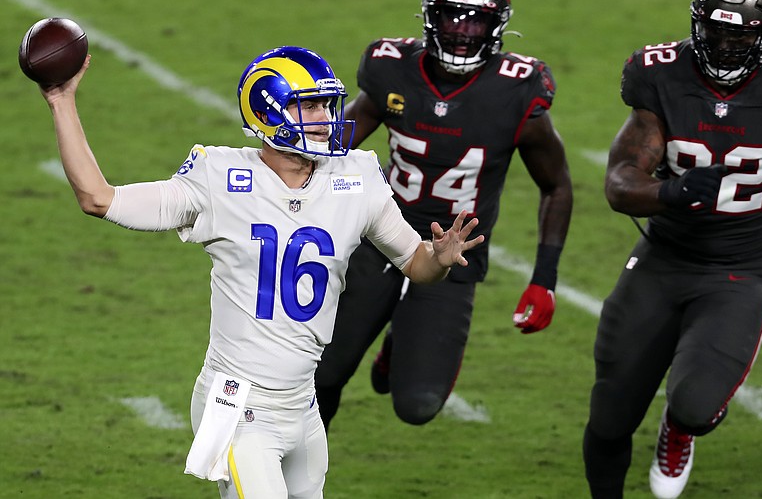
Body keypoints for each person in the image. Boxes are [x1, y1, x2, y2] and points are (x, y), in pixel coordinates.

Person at [35, 45, 484, 499]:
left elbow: (415, 265)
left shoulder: (357, 177)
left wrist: (440, 258)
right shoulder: (219, 178)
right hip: (238, 405)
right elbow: (98, 198)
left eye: (327, 105)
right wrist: (62, 100)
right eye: (309, 105)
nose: (325, 117)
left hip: (302, 406)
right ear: (270, 111)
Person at [315, 0, 572, 429]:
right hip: (382, 233)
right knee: (323, 372)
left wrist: (544, 277)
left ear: (496, 26)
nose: (461, 32)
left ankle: (399, 337)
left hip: (456, 250)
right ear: (430, 18)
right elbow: (339, 143)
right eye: (451, 17)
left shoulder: (518, 92)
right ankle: (298, 474)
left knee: (417, 406)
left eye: (474, 20)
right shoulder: (391, 68)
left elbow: (556, 185)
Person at [582, 0, 762, 498]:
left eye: (739, 34)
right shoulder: (662, 73)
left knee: (696, 405)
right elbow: (620, 183)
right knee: (609, 417)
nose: (724, 45)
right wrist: (671, 192)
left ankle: (678, 430)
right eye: (715, 30)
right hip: (663, 257)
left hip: (740, 268)